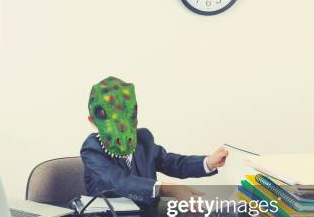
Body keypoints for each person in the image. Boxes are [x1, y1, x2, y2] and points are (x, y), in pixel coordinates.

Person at [80, 76, 228, 207]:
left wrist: (208, 162)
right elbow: (116, 181)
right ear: (92, 121)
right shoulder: (92, 149)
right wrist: (166, 189)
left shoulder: (143, 140)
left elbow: (171, 162)